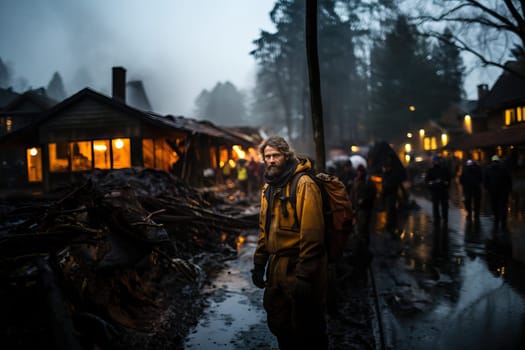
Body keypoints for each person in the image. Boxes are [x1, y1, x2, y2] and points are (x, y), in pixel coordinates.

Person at [251, 135, 328, 350]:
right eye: (267, 156)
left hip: (299, 266)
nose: (271, 160)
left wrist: (305, 276)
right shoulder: (269, 188)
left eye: (276, 155)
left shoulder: (304, 184)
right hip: (277, 268)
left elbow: (313, 235)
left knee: (307, 328)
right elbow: (264, 231)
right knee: (279, 322)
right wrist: (259, 263)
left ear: (286, 155)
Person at [350, 164, 376, 283]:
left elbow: (372, 194)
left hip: (365, 209)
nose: (359, 174)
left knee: (363, 227)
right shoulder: (356, 181)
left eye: (361, 172)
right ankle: (361, 245)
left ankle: (364, 245)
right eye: (358, 172)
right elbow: (352, 194)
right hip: (357, 208)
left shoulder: (368, 182)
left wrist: (364, 200)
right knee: (358, 227)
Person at [484, 155, 513, 232]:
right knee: (503, 206)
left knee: (495, 205)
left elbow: (485, 180)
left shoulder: (488, 168)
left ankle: (496, 219)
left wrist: (487, 189)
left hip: (493, 191)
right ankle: (503, 222)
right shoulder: (504, 168)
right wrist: (509, 189)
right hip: (503, 191)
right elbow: (509, 179)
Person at [425, 155, 451, 226]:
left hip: (443, 190)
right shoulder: (431, 170)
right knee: (435, 206)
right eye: (435, 161)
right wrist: (433, 184)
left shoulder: (444, 169)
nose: (436, 162)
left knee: (444, 206)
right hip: (435, 191)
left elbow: (448, 179)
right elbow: (427, 181)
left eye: (437, 160)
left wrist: (445, 183)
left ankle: (445, 218)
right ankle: (437, 219)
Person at [381, 160, 402, 232]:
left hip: (392, 195)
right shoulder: (385, 174)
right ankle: (390, 225)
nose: (383, 169)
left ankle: (391, 225)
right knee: (389, 210)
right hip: (387, 195)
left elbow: (390, 185)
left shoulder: (392, 175)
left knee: (391, 210)